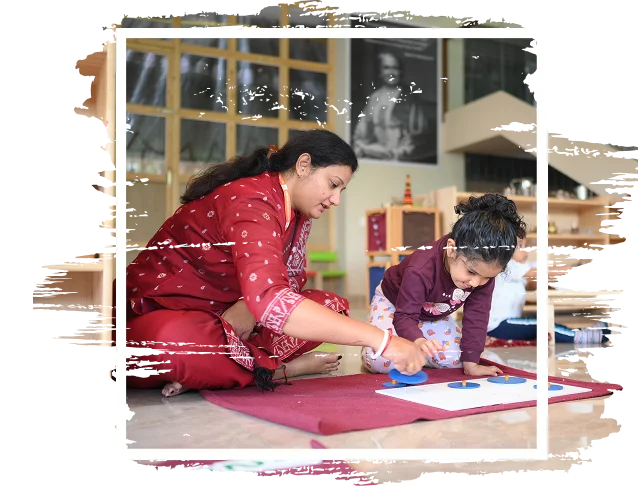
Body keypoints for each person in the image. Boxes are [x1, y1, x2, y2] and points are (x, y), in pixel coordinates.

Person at [122, 129, 425, 397]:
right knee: (174, 343)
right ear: (303, 165)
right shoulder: (252, 200)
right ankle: (279, 370)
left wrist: (246, 305)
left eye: (341, 190)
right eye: (333, 185)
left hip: (229, 320)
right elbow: (271, 300)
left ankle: (222, 370)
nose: (336, 200)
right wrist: (383, 341)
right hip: (158, 318)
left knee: (331, 307)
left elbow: (287, 283)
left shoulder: (295, 211)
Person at [362, 193, 528, 377]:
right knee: (382, 361)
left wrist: (471, 364)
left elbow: (477, 315)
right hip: (395, 305)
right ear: (451, 249)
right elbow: (405, 315)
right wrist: (417, 341)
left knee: (458, 361)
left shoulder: (482, 272)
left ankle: (420, 348)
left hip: (432, 314)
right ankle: (371, 348)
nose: (475, 283)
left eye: (486, 278)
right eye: (471, 272)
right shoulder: (420, 269)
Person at [486, 237, 611, 343]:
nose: (525, 251)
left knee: (548, 324)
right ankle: (584, 337)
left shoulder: (519, 269)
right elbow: (543, 272)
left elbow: (531, 285)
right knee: (545, 325)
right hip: (498, 326)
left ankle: (581, 332)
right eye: (519, 246)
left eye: (525, 246)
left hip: (507, 323)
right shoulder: (507, 265)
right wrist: (574, 269)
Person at [352, 51, 429, 162]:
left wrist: (397, 153)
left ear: (401, 71)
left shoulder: (411, 97)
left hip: (400, 157)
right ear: (381, 71)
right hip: (376, 153)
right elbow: (362, 132)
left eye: (395, 68)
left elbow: (417, 137)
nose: (391, 73)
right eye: (386, 68)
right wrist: (361, 147)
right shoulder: (375, 97)